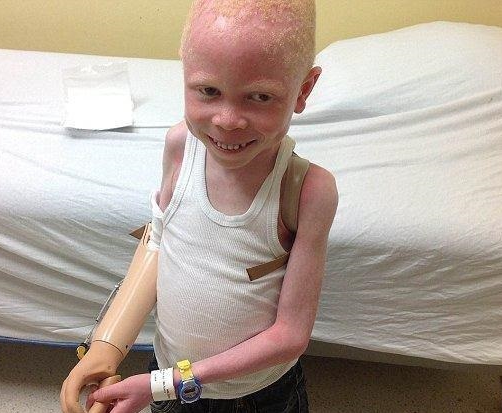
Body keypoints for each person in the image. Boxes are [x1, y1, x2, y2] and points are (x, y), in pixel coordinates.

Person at [62, 0, 337, 411]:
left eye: (260, 96)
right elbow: (158, 241)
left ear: (304, 90)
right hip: (167, 376)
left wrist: (164, 385)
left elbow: (291, 335)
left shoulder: (307, 191)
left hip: (256, 396)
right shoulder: (179, 146)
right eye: (209, 91)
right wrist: (107, 344)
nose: (227, 120)